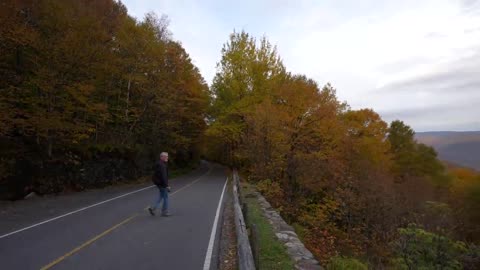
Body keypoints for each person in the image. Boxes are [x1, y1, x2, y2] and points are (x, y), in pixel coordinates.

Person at [148, 152, 171, 216]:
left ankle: (153, 209)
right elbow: (164, 176)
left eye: (167, 156)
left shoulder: (158, 163)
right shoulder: (162, 165)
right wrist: (167, 186)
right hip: (162, 184)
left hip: (159, 183)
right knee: (166, 197)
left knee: (161, 196)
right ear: (161, 157)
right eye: (165, 156)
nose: (167, 158)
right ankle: (164, 212)